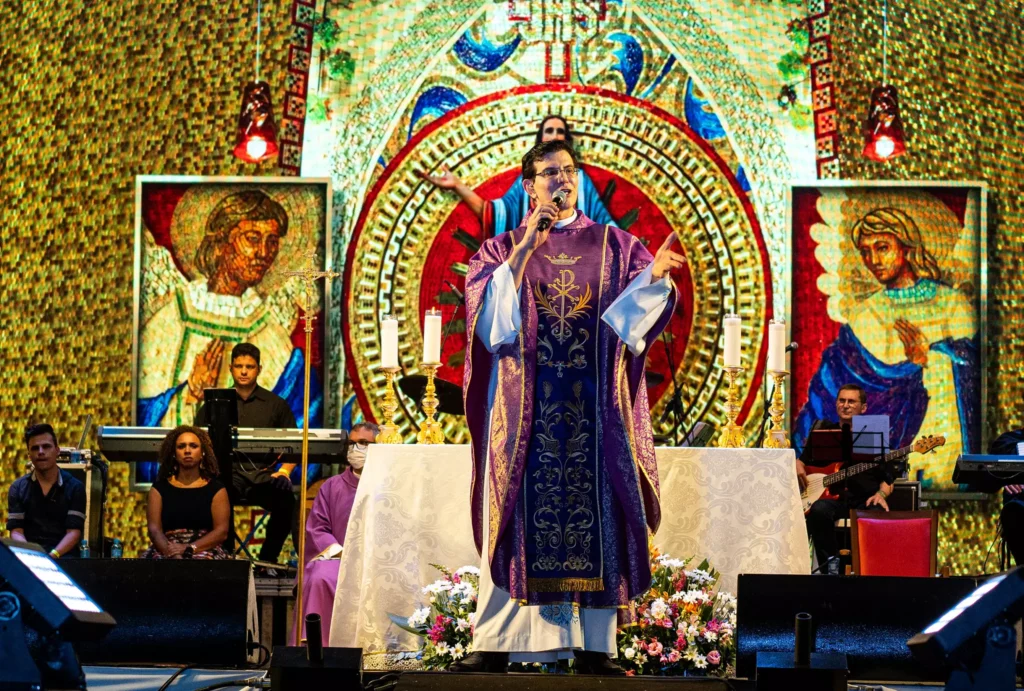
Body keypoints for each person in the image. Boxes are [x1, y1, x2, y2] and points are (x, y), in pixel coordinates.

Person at [455, 139, 683, 674]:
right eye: (549, 172)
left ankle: (596, 648)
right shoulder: (499, 249)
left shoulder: (616, 245)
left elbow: (626, 327)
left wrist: (654, 279)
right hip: (524, 415)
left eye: (568, 170)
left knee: (598, 516)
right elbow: (491, 330)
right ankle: (496, 644)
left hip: (592, 414)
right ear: (528, 185)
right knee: (514, 517)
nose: (561, 179)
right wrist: (523, 250)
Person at [794, 193, 979, 486]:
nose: (873, 261)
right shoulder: (865, 313)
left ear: (906, 246)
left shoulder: (952, 304)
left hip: (942, 436)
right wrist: (797, 454)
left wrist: (928, 358)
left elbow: (973, 372)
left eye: (882, 248)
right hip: (879, 451)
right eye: (865, 252)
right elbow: (830, 387)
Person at [137, 189, 321, 433]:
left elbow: (300, 420)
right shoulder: (173, 315)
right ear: (222, 242)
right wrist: (190, 393)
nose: (264, 254)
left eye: (272, 242)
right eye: (252, 239)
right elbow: (141, 417)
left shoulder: (270, 332)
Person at [421, 115, 618, 236]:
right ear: (540, 139)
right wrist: (457, 186)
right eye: (549, 131)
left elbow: (606, 226)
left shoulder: (580, 181)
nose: (555, 135)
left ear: (566, 140)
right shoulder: (527, 182)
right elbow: (495, 215)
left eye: (560, 131)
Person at [194, 342, 298, 564]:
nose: (243, 371)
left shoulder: (276, 405)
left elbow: (294, 447)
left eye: (249, 367)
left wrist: (285, 472)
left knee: (287, 502)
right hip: (227, 476)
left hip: (264, 475)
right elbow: (196, 441)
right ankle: (226, 557)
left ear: (259, 369)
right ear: (231, 368)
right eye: (239, 366)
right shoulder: (213, 404)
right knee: (213, 497)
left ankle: (268, 561)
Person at [296, 421, 378, 641]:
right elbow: (317, 528)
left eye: (364, 443)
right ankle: (316, 645)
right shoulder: (331, 486)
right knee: (320, 576)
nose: (355, 449)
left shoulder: (389, 486)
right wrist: (342, 553)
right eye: (351, 443)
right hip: (339, 559)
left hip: (378, 561)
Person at [799, 384, 893, 569]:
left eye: (851, 401)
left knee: (878, 514)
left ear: (863, 408)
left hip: (865, 501)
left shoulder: (873, 436)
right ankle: (830, 566)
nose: (846, 405)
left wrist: (881, 495)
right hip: (833, 501)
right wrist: (797, 464)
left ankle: (871, 569)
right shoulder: (823, 433)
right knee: (819, 510)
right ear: (836, 404)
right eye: (842, 401)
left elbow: (889, 479)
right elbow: (801, 461)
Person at [143, 425, 231, 559]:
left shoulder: (216, 489)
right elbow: (154, 531)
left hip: (204, 548)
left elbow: (221, 531)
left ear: (202, 453)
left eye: (193, 446)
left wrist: (189, 548)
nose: (187, 451)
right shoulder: (159, 489)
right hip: (167, 548)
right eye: (181, 446)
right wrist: (173, 554)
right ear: (174, 453)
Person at [6, 424, 86, 559]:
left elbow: (73, 533)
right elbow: (16, 532)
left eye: (46, 446)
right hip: (31, 558)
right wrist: (31, 555)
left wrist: (52, 556)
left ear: (57, 450)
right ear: (29, 455)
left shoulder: (75, 487)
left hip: (64, 558)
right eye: (35, 448)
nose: (41, 452)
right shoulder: (17, 488)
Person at [985, 427, 1024, 567]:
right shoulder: (1009, 441)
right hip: (1019, 513)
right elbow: (986, 482)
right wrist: (1008, 477)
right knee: (1014, 512)